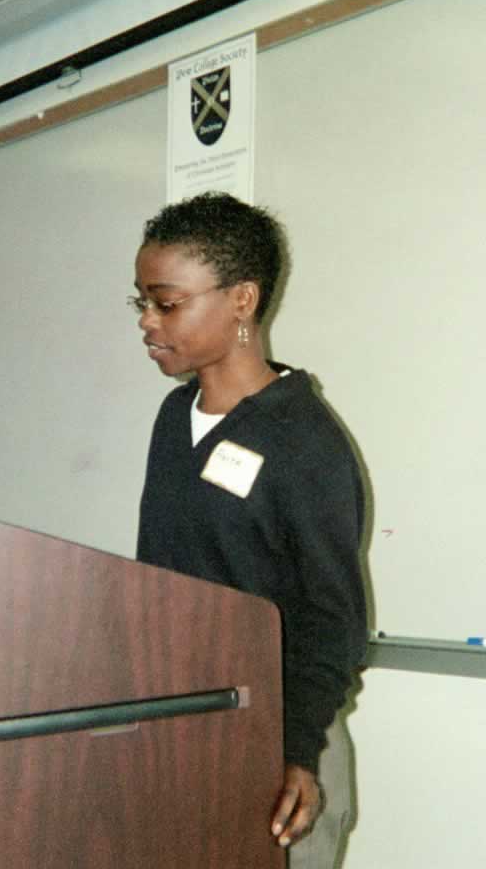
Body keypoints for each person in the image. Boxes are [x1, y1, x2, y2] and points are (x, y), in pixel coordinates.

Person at [131, 191, 368, 866]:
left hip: (285, 747)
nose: (148, 321)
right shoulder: (174, 421)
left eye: (167, 303)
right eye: (141, 303)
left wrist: (295, 752)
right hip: (191, 728)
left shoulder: (304, 439)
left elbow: (332, 618)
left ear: (241, 300)